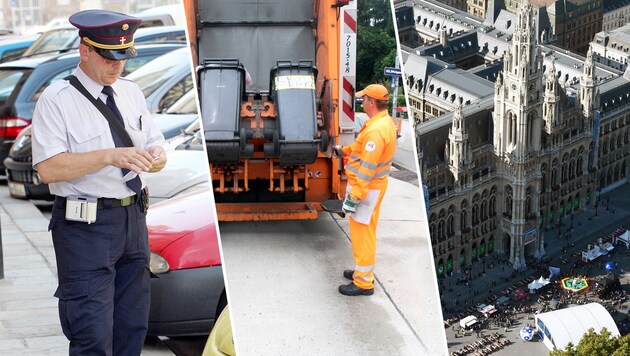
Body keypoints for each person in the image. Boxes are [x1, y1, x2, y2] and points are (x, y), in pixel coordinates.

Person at [31, 10, 167, 355]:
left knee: (131, 328)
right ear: (84, 50)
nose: (116, 66)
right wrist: (110, 156)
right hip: (85, 227)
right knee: (92, 333)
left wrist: (154, 157)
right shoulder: (57, 99)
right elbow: (48, 169)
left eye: (123, 56)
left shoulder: (131, 92)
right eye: (108, 56)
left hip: (133, 219)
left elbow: (158, 145)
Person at [333, 84, 397, 296]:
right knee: (364, 231)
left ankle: (363, 283)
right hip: (372, 188)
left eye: (364, 98)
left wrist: (354, 197)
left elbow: (367, 169)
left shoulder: (377, 131)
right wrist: (343, 150)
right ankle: (361, 272)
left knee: (363, 234)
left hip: (367, 189)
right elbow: (360, 149)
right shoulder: (380, 123)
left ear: (371, 101)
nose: (361, 101)